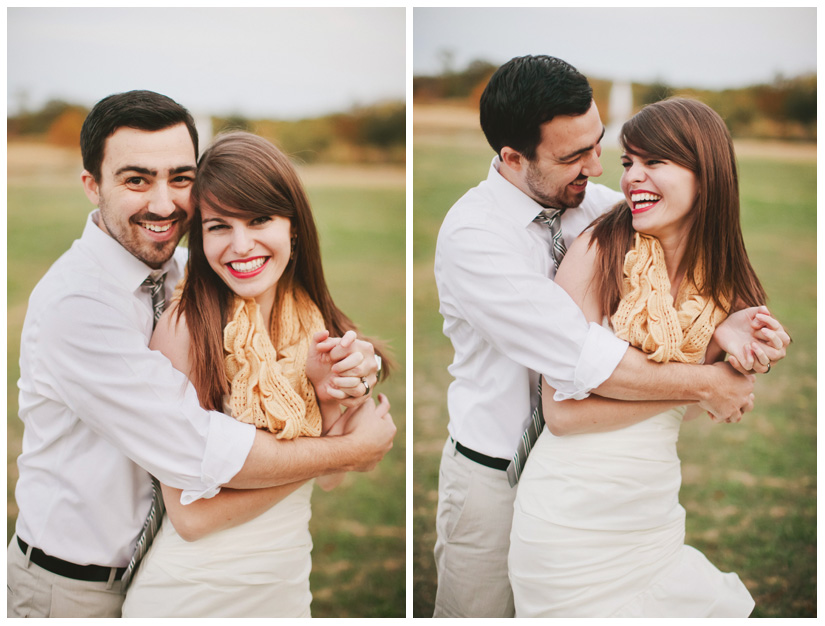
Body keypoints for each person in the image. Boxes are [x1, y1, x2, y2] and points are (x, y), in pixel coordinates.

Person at [8, 91, 395, 619]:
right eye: (136, 179)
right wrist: (350, 450)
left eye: (181, 178)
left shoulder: (193, 270)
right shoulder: (79, 306)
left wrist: (350, 374)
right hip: (74, 585)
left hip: (175, 565)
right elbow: (201, 454)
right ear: (92, 185)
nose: (164, 203)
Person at [432, 56, 788, 618]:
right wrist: (707, 383)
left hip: (603, 487)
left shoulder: (603, 211)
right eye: (574, 156)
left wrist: (722, 329)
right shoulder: (474, 236)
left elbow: (669, 305)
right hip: (494, 472)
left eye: (600, 145)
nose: (598, 169)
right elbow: (583, 361)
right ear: (513, 157)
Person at [509, 97, 776, 617]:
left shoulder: (721, 279)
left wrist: (746, 351)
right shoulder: (596, 251)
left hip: (653, 519)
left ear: (707, 173)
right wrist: (705, 379)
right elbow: (562, 415)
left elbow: (712, 402)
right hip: (569, 523)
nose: (633, 177)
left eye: (655, 162)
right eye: (629, 162)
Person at [120, 131, 392, 617]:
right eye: (219, 226)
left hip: (285, 583)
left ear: (293, 226)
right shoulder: (185, 329)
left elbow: (334, 478)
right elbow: (191, 517)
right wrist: (344, 453)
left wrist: (326, 394)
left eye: (260, 219)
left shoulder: (316, 322)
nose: (240, 245)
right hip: (193, 593)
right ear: (199, 240)